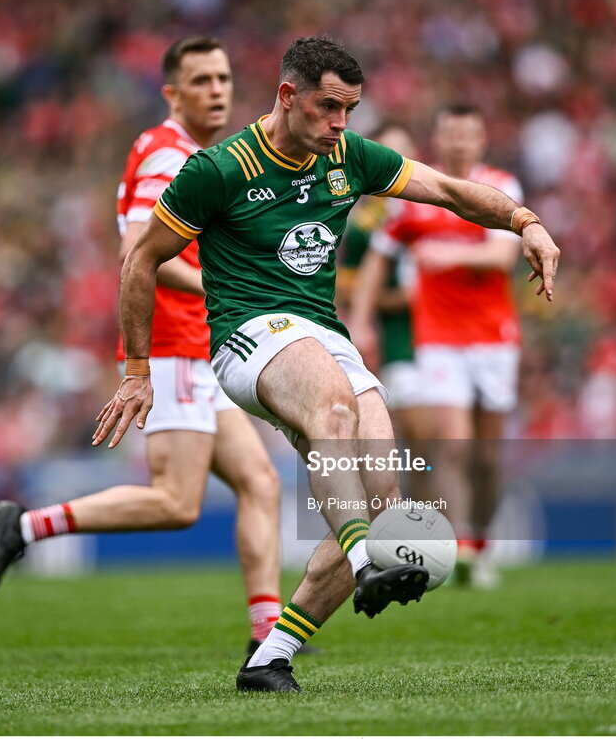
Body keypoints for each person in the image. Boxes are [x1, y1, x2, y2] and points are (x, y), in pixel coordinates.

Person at [93, 36, 560, 693]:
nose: (340, 124)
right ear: (288, 96)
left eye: (350, 110)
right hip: (246, 335)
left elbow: (450, 190)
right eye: (328, 108)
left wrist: (524, 221)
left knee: (382, 496)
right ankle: (367, 557)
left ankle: (271, 656)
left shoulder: (348, 156)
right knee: (335, 415)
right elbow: (140, 259)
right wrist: (137, 369)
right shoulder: (219, 170)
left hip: (323, 334)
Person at [0, 37, 289, 654]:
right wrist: (221, 285)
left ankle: (270, 632)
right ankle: (28, 524)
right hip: (175, 345)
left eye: (224, 78)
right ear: (172, 92)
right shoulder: (165, 154)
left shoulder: (192, 153)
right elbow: (138, 253)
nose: (218, 90)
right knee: (177, 503)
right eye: (201, 80)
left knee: (260, 480)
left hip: (203, 345)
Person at [349, 105, 525, 588]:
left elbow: (503, 253)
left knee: (487, 456)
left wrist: (451, 253)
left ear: (482, 138)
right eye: (450, 134)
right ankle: (461, 545)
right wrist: (362, 320)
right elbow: (377, 260)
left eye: (468, 134)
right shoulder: (417, 197)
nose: (459, 143)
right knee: (453, 445)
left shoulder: (501, 188)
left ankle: (483, 542)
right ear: (439, 138)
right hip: (438, 338)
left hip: (494, 337)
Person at [336, 123, 426, 442]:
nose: (397, 159)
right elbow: (345, 289)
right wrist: (399, 299)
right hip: (396, 339)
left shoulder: (431, 209)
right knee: (415, 436)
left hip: (446, 335)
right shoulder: (365, 222)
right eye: (389, 152)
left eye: (403, 151)